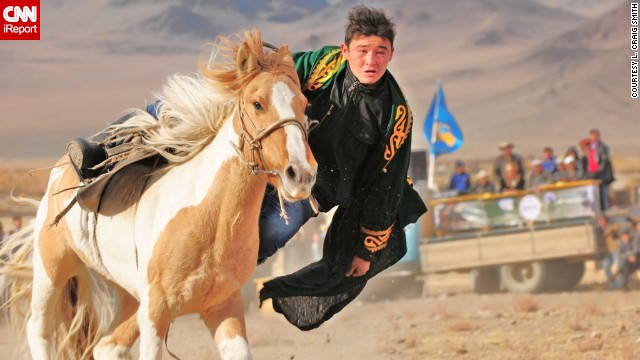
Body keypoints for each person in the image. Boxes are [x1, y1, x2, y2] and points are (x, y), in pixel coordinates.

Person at [65, 6, 427, 330]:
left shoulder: (395, 116)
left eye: (380, 52)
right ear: (346, 50)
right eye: (362, 51)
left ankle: (203, 294)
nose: (371, 61)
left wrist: (364, 250)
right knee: (184, 107)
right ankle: (104, 152)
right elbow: (277, 80)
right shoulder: (325, 63)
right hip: (259, 158)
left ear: (391, 54)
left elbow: (385, 187)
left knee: (261, 241)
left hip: (304, 193)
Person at [585, 129, 615, 211]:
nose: (593, 138)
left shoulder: (602, 147)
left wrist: (598, 171)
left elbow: (604, 161)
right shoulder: (591, 147)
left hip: (601, 175)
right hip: (593, 174)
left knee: (603, 193)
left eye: (595, 136)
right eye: (592, 137)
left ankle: (605, 211)